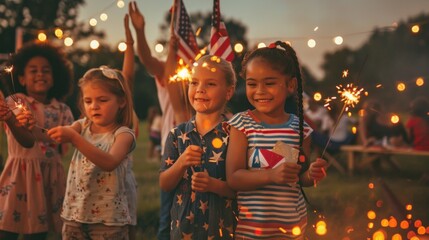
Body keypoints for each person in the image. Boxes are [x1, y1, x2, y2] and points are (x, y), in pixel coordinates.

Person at [226, 41, 328, 239]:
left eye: (269, 83)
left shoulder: (301, 130)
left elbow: (301, 177)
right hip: (250, 229)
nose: (260, 91)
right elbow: (234, 177)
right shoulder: (242, 124)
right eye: (252, 84)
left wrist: (312, 174)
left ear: (290, 85)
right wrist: (270, 176)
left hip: (291, 228)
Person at [47, 66, 136, 239]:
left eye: (102, 100)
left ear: (122, 101)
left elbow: (110, 162)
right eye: (88, 101)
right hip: (75, 213)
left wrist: (75, 138)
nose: (94, 106)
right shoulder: (82, 126)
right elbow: (52, 134)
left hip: (108, 220)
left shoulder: (123, 134)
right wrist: (26, 124)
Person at [128, 2, 191, 239]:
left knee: (193, 211)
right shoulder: (167, 72)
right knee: (168, 215)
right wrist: (140, 31)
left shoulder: (199, 79)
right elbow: (145, 59)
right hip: (171, 145)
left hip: (199, 145)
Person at [0, 42, 74, 240]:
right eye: (33, 70)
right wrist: (13, 120)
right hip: (20, 175)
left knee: (39, 233)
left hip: (49, 178)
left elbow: (66, 142)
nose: (40, 74)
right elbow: (26, 140)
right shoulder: (16, 102)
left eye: (46, 70)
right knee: (8, 230)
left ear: (54, 77)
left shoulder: (63, 110)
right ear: (21, 78)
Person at [159, 55, 237, 239]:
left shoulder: (235, 135)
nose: (200, 89)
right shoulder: (177, 135)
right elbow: (164, 184)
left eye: (210, 84)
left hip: (221, 232)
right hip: (183, 231)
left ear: (228, 91)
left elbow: (241, 190)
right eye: (194, 82)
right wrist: (181, 163)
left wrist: (214, 185)